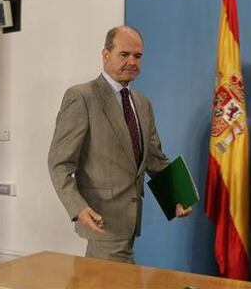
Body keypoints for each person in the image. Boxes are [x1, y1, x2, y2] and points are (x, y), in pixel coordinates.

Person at [48, 26, 192, 264]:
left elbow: (155, 158)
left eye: (137, 56)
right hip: (102, 221)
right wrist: (78, 208)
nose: (132, 61)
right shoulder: (81, 97)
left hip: (132, 222)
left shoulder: (143, 103)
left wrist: (177, 196)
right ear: (106, 55)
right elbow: (59, 163)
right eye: (124, 54)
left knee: (101, 281)